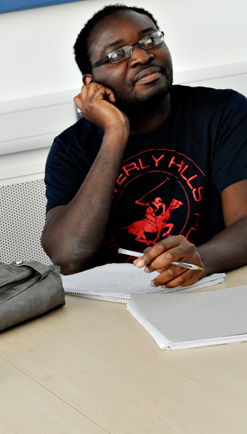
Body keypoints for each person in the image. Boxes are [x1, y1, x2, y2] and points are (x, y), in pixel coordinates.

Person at [41, 4, 247, 287]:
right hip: (116, 303)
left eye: (150, 40)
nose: (142, 56)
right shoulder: (71, 148)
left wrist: (200, 260)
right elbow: (67, 256)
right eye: (117, 54)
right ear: (91, 82)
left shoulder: (223, 112)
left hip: (212, 287)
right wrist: (115, 132)